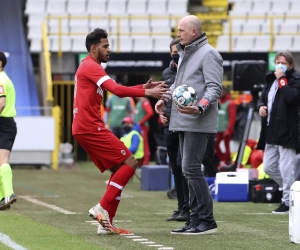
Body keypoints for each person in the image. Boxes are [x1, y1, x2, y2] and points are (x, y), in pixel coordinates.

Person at [72, 28, 168, 235]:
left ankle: (106, 224)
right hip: (90, 127)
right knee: (132, 162)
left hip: (85, 127)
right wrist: (146, 92)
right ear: (94, 48)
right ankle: (101, 208)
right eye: (105, 46)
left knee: (120, 170)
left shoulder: (90, 67)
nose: (109, 50)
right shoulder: (91, 66)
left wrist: (143, 86)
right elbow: (116, 90)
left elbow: (116, 87)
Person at [155, 15, 223, 235]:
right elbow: (179, 86)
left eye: (181, 30)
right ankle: (195, 219)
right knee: (188, 170)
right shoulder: (185, 53)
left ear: (194, 32)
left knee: (190, 168)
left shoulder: (209, 54)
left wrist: (200, 106)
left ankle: (207, 220)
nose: (178, 34)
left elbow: (214, 88)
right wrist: (163, 99)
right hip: (183, 119)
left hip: (198, 120)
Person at [257, 50, 300, 214]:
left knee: (286, 168)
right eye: (278, 62)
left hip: (287, 131)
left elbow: (291, 97)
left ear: (290, 65)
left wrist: (282, 79)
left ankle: (288, 201)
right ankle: (293, 192)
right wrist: (260, 106)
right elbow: (262, 97)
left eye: (284, 62)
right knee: (269, 167)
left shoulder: (296, 79)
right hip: (270, 130)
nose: (280, 65)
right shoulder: (270, 79)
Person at [159, 38, 190, 222]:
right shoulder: (166, 73)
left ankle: (191, 206)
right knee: (175, 168)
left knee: (184, 165)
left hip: (185, 123)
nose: (175, 54)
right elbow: (166, 96)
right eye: (173, 51)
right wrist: (162, 112)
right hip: (169, 123)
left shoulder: (189, 71)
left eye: (178, 51)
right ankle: (181, 207)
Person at [0, 52, 17, 210]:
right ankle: (2, 198)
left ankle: (8, 194)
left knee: (3, 160)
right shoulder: (6, 79)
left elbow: (2, 103)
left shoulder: (0, 79)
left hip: (3, 123)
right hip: (6, 123)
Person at [215, 86, 236, 165]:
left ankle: (226, 162)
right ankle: (222, 160)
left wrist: (228, 130)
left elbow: (232, 118)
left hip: (226, 130)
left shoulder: (230, 103)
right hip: (218, 129)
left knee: (227, 147)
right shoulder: (218, 102)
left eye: (222, 91)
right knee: (215, 145)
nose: (220, 93)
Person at [134, 97, 153, 166]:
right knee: (140, 145)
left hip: (143, 127)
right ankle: (141, 164)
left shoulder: (144, 101)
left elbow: (150, 112)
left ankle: (146, 163)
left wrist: (140, 122)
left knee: (144, 144)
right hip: (138, 127)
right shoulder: (139, 102)